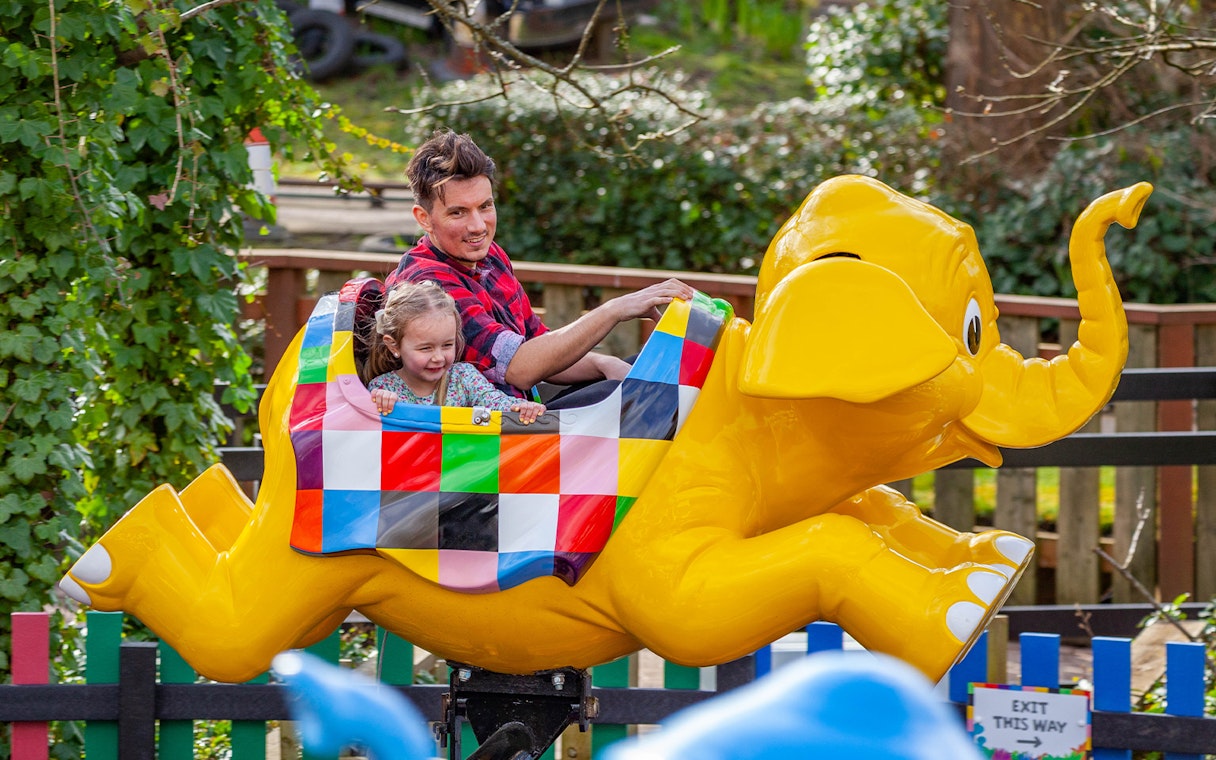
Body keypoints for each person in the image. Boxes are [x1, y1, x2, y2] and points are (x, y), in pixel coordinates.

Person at [385, 128, 695, 406]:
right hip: (483, 440)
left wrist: (605, 364)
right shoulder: (428, 286)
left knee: (648, 368)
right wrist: (613, 310)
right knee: (629, 396)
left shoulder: (489, 256)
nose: (478, 226)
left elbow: (538, 344)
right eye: (458, 213)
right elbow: (521, 369)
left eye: (486, 206)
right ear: (424, 218)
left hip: (525, 412)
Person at [363, 280, 547, 423]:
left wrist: (521, 407)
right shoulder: (384, 387)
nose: (438, 357)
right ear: (394, 345)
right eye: (425, 348)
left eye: (447, 345)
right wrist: (381, 403)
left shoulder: (463, 377)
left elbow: (495, 401)